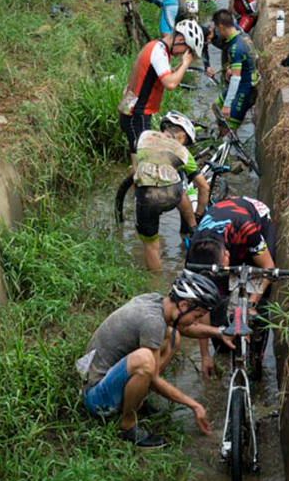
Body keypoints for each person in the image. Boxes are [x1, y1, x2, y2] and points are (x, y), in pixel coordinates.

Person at [79, 270, 235, 447]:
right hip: (96, 398)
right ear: (184, 305)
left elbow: (183, 328)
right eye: (197, 316)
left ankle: (136, 398)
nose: (195, 321)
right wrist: (194, 405)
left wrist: (219, 333)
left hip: (104, 376)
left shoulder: (156, 301)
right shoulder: (152, 321)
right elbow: (152, 376)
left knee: (172, 336)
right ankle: (128, 426)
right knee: (145, 361)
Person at [185, 196, 277, 378]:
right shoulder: (195, 255)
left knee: (259, 289)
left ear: (227, 253)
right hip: (221, 234)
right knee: (214, 298)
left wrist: (251, 304)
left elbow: (269, 269)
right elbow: (200, 309)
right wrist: (205, 356)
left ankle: (257, 358)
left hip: (254, 218)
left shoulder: (246, 229)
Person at [118, 19, 204, 168]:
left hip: (135, 111)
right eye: (185, 50)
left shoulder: (156, 47)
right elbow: (170, 84)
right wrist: (185, 64)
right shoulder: (159, 52)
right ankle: (136, 190)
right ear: (179, 39)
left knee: (139, 160)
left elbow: (162, 75)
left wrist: (180, 66)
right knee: (143, 165)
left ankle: (133, 189)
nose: (182, 55)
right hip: (137, 114)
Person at [134, 111, 210, 271]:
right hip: (172, 196)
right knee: (179, 188)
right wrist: (200, 214)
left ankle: (156, 284)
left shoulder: (144, 136)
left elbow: (136, 167)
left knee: (151, 244)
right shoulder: (183, 152)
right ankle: (192, 226)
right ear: (182, 135)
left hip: (146, 197)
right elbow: (204, 187)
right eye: (186, 140)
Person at [211, 9, 260, 131]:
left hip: (244, 90)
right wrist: (232, 68)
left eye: (217, 28)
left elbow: (236, 79)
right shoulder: (242, 38)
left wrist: (227, 105)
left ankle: (226, 138)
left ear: (221, 27)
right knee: (216, 106)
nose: (217, 32)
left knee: (229, 130)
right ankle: (221, 132)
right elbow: (254, 57)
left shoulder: (235, 48)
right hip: (243, 84)